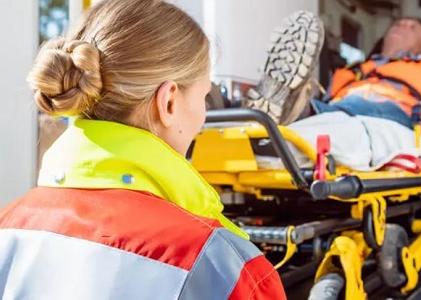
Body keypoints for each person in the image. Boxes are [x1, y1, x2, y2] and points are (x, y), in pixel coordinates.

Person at [0, 0, 286, 299]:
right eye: (205, 96)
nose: (203, 116)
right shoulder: (224, 267)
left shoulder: (8, 230)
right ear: (169, 103)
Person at [249, 17, 421, 138]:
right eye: (398, 24)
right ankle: (282, 106)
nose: (402, 26)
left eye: (412, 27)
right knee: (332, 105)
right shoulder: (351, 70)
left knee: (356, 104)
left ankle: (291, 108)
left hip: (397, 114)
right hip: (335, 108)